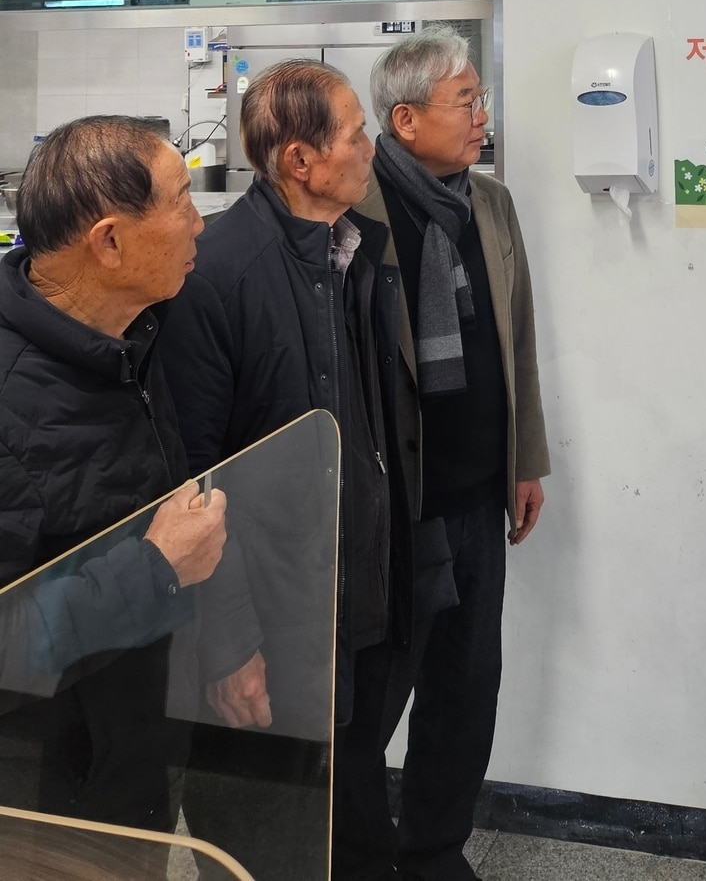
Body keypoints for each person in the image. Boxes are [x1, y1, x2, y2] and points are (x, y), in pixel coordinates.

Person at [160, 60, 411, 881]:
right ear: (300, 160)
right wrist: (230, 644)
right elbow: (190, 475)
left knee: (338, 815)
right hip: (268, 616)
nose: (370, 144)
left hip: (348, 603)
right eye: (354, 131)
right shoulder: (219, 273)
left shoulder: (349, 253)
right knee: (263, 836)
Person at [0, 116, 226, 845]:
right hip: (41, 808)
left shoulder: (132, 338)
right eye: (183, 200)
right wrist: (155, 568)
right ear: (109, 241)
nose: (200, 222)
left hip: (131, 765)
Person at [359, 28, 549, 881]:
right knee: (372, 700)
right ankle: (359, 855)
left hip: (476, 488)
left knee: (466, 687)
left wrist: (526, 458)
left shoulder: (490, 203)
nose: (481, 116)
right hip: (396, 503)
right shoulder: (355, 210)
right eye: (465, 101)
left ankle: (434, 848)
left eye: (479, 98)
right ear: (405, 118)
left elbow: (521, 343)